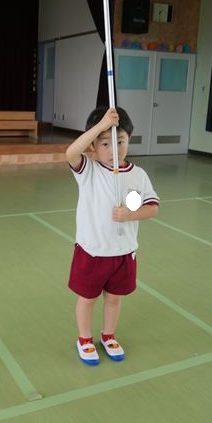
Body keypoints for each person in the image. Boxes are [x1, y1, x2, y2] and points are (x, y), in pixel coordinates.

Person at [65, 107, 159, 365]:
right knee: (88, 299)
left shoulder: (138, 176)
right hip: (93, 251)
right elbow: (71, 153)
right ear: (93, 146)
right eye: (105, 143)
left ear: (129, 139)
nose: (114, 149)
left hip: (124, 252)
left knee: (114, 299)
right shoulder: (89, 171)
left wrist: (130, 214)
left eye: (120, 141)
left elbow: (152, 208)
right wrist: (101, 125)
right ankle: (84, 339)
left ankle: (108, 335)